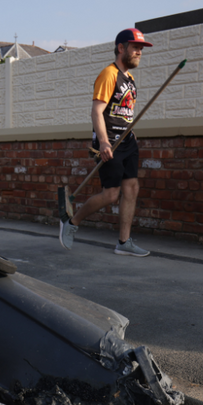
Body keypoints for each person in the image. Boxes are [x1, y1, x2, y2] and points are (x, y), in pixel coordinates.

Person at [59, 28, 153, 257]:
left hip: (127, 141)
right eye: (135, 48)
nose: (139, 52)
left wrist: (131, 133)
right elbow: (97, 111)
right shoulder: (109, 74)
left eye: (141, 49)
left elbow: (124, 112)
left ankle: (124, 242)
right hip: (110, 141)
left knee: (132, 188)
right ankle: (72, 222)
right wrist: (103, 142)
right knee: (111, 194)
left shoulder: (129, 79)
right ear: (121, 48)